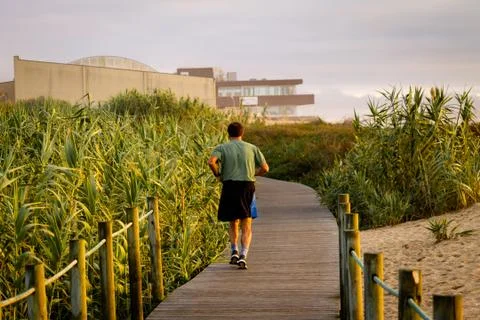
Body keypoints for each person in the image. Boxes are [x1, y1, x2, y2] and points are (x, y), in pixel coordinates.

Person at [208, 122, 269, 269]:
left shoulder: (222, 147)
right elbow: (265, 168)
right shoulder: (252, 148)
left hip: (229, 186)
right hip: (247, 186)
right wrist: (254, 173)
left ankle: (234, 250)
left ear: (228, 133)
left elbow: (211, 162)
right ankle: (244, 254)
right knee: (246, 223)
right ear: (242, 132)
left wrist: (218, 174)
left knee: (233, 221)